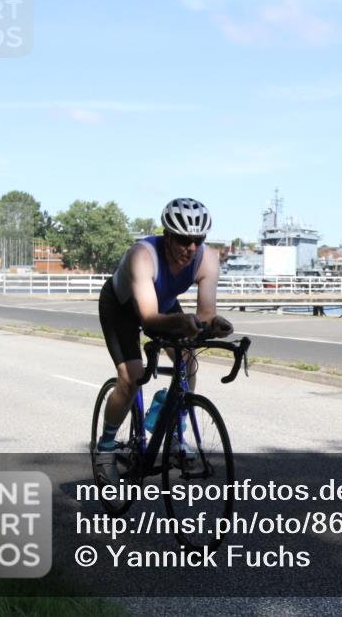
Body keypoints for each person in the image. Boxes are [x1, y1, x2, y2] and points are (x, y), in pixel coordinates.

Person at [94, 198, 233, 486]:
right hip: (122, 307)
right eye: (183, 240)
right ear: (167, 235)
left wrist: (213, 324)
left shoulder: (207, 259)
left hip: (162, 305)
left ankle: (171, 425)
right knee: (131, 377)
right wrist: (184, 322)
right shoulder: (142, 255)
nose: (191, 248)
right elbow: (148, 319)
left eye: (198, 240)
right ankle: (105, 449)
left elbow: (205, 315)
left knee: (188, 362)